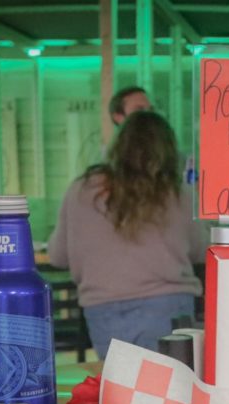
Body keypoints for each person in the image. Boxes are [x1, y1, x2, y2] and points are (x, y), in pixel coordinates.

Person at [48, 111, 205, 360]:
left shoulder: (83, 188)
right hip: (169, 305)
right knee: (168, 388)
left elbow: (57, 256)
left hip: (103, 309)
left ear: (117, 146)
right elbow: (200, 249)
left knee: (121, 388)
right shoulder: (179, 194)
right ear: (168, 150)